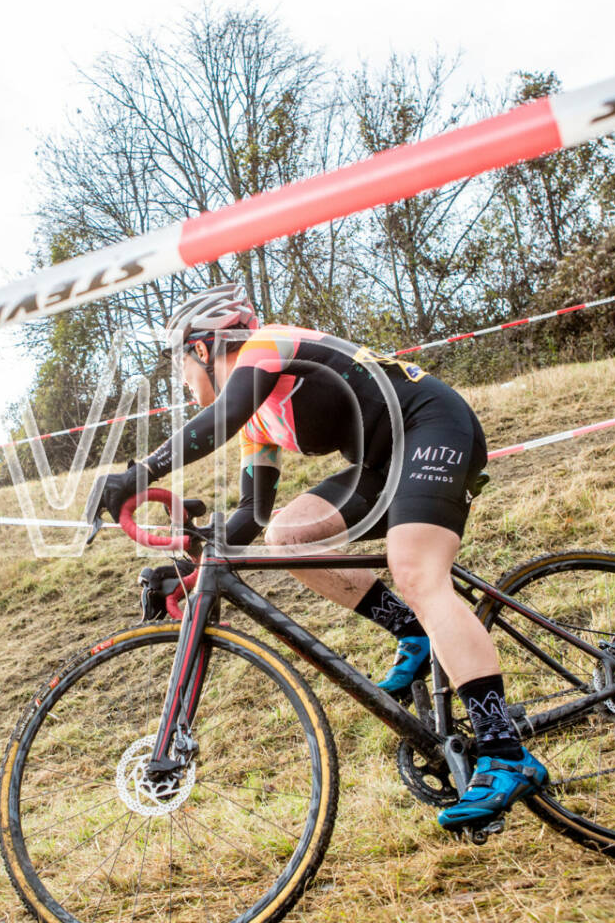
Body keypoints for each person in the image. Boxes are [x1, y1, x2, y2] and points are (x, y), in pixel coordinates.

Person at [86, 284, 545, 833]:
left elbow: (219, 421)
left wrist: (141, 473)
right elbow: (251, 518)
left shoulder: (267, 345)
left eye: (179, 364)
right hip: (379, 463)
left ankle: (504, 751)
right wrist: (192, 566)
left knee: (417, 572)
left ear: (203, 348)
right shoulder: (258, 419)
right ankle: (413, 634)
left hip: (432, 426)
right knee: (287, 538)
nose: (183, 383)